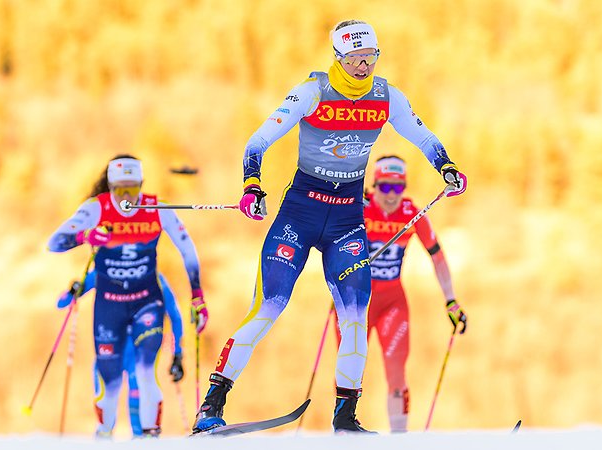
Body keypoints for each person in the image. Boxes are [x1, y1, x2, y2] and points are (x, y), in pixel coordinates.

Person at [192, 19, 468, 434]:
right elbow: (258, 141)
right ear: (338, 56)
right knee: (270, 306)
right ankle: (212, 404)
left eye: (370, 56)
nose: (363, 66)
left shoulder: (386, 96)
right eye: (355, 57)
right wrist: (252, 184)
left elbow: (424, 137)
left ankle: (345, 416)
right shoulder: (313, 91)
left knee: (354, 315)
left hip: (345, 221)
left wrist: (445, 166)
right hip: (299, 216)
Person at [48, 154, 208, 438]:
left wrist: (197, 295)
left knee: (146, 371)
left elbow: (189, 251)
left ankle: (149, 435)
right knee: (110, 383)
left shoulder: (157, 207)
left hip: (147, 300)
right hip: (109, 306)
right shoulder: (95, 209)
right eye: (119, 188)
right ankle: (104, 432)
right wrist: (85, 237)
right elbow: (55, 243)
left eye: (132, 188)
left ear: (141, 184)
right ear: (109, 186)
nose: (126, 196)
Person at [349, 155, 468, 432]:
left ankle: (400, 439)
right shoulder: (358, 210)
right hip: (356, 303)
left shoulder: (411, 213)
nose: (392, 195)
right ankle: (344, 431)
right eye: (386, 187)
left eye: (398, 187)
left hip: (393, 302)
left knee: (396, 372)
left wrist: (450, 301)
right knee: (350, 372)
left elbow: (437, 257)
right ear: (374, 186)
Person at [56, 272, 186, 438]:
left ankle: (142, 439)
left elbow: (175, 316)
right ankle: (104, 436)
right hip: (110, 351)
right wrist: (72, 291)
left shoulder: (154, 277)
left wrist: (178, 355)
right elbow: (62, 303)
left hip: (139, 354)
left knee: (139, 403)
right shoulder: (105, 272)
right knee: (105, 411)